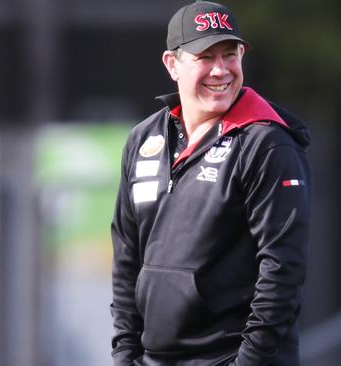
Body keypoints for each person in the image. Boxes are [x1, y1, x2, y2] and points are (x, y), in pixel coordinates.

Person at [110, 1, 311, 365]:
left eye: (229, 55)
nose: (220, 70)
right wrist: (125, 356)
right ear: (172, 64)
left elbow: (282, 272)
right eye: (205, 56)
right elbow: (126, 263)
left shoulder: (267, 142)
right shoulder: (143, 140)